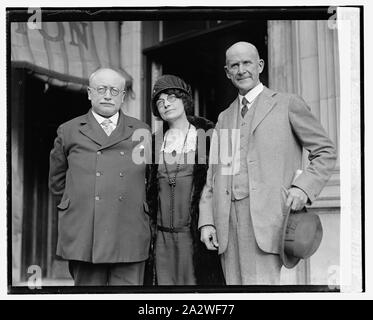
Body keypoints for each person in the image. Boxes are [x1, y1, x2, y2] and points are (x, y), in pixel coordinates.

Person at [198, 42, 337, 285]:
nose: (241, 70)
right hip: (227, 224)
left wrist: (303, 187)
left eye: (247, 63)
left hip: (267, 219)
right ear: (227, 72)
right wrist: (207, 220)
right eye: (234, 65)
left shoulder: (287, 103)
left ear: (260, 65)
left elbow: (325, 151)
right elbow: (214, 175)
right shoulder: (224, 116)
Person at [49, 68, 151, 286]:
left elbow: (151, 181)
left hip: (128, 231)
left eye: (114, 90)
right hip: (85, 232)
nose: (107, 95)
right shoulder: (68, 130)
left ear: (123, 96)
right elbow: (57, 182)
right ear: (89, 93)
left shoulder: (141, 130)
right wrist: (79, 205)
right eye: (101, 89)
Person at [146, 75, 225, 285]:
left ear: (184, 100)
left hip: (195, 237)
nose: (166, 104)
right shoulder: (153, 143)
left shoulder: (208, 134)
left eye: (171, 97)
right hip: (162, 241)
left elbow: (220, 185)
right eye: (160, 101)